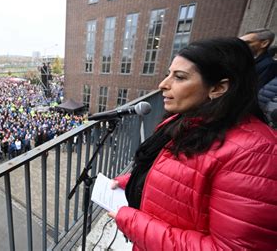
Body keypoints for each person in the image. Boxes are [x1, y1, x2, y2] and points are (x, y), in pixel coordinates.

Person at [108, 37, 277, 249]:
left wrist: (134, 222)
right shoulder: (188, 121)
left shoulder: (256, 153)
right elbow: (186, 182)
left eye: (179, 77)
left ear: (218, 88)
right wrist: (136, 181)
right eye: (167, 74)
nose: (163, 84)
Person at [240, 29, 277, 113]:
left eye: (247, 43)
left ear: (264, 43)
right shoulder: (244, 60)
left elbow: (256, 91)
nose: (241, 46)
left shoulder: (269, 65)